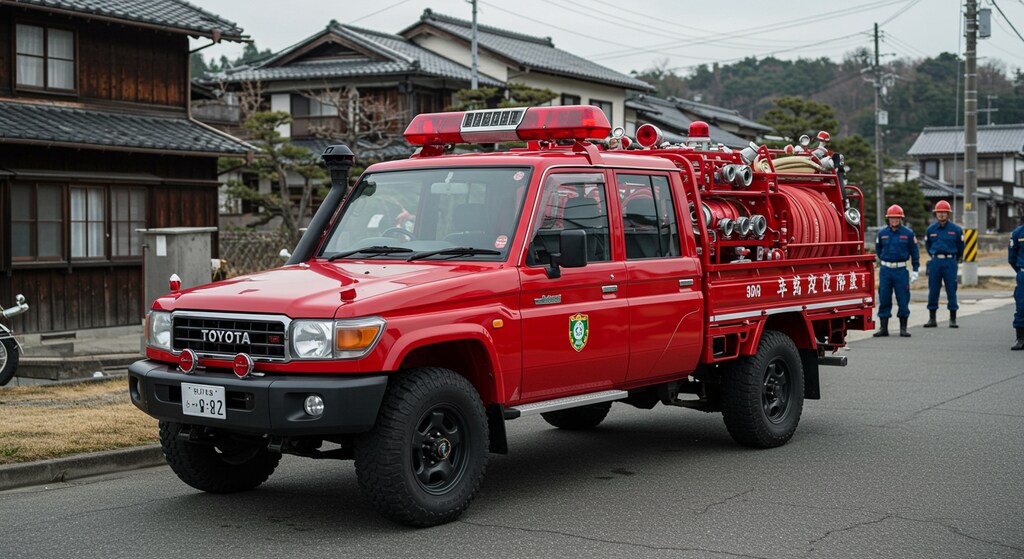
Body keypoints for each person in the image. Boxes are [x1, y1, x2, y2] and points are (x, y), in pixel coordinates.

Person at [873, 204, 920, 338]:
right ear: (888, 219)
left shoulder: (908, 233)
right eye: (892, 218)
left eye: (896, 218)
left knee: (903, 298)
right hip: (886, 270)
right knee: (884, 298)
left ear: (901, 219)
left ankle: (903, 328)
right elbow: (878, 250)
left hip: (900, 270)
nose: (894, 220)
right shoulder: (882, 233)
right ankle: (883, 328)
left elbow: (914, 253)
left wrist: (915, 269)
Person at [923, 200, 965, 328]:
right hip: (935, 262)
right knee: (933, 290)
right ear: (936, 214)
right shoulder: (930, 229)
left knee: (951, 289)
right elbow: (928, 245)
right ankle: (932, 318)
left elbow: (961, 246)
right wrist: (934, 256)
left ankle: (953, 319)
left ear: (948, 214)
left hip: (950, 261)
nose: (941, 214)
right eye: (939, 212)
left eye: (944, 212)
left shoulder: (956, 230)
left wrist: (956, 258)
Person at [1008, 223, 1024, 349]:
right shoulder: (1017, 233)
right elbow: (1012, 258)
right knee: (1021, 305)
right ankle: (1020, 338)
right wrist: (1020, 272)